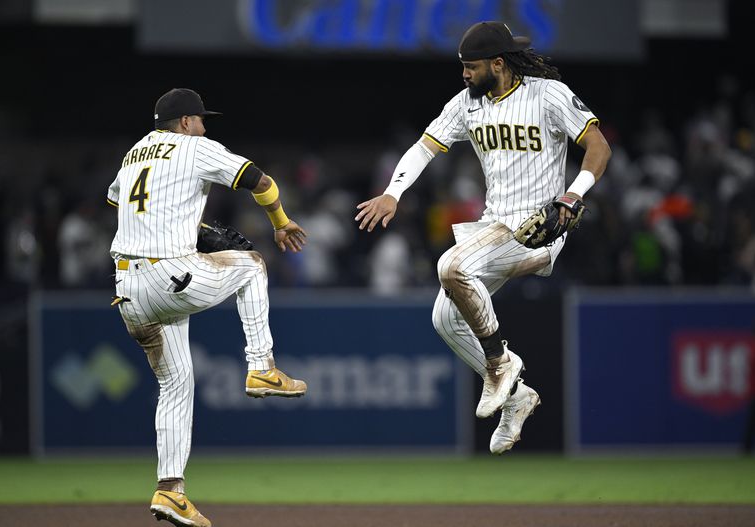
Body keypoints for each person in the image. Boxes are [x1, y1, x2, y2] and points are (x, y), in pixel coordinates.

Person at [356, 21, 611, 454]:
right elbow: (424, 147)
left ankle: (499, 363)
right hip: (495, 227)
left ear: (498, 63)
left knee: (450, 266)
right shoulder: (465, 104)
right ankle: (517, 397)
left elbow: (598, 146)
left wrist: (572, 194)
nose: (464, 74)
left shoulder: (547, 94)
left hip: (540, 226)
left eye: (471, 67)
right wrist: (392, 192)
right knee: (445, 318)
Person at [107, 88, 308, 527]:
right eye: (200, 119)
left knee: (176, 386)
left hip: (128, 289)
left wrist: (192, 226)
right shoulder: (195, 147)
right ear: (183, 122)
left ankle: (170, 490)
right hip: (169, 274)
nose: (204, 126)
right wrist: (281, 222)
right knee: (253, 265)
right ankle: (262, 366)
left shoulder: (133, 154)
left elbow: (124, 204)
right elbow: (262, 181)